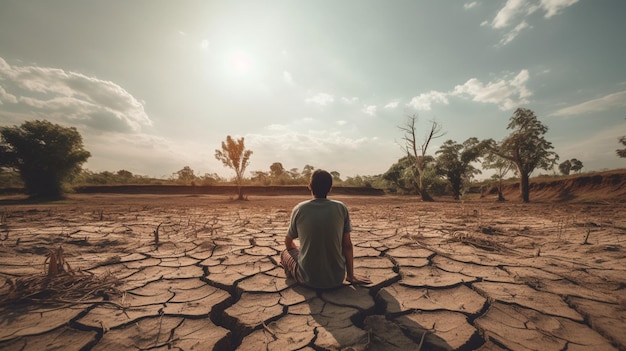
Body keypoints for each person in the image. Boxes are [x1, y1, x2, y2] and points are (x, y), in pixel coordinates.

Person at [280, 169, 371, 289]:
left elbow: (288, 242)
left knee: (285, 253)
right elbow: (347, 245)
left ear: (309, 187)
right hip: (337, 278)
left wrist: (297, 250)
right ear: (330, 188)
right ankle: (349, 276)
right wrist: (351, 275)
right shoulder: (341, 208)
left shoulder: (300, 209)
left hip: (308, 279)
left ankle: (292, 274)